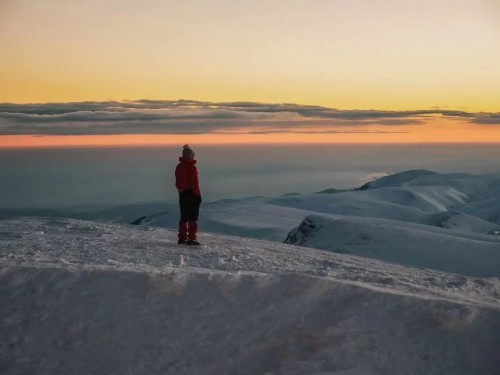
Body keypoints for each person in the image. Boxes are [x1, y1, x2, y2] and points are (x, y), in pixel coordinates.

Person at [175, 144, 202, 245]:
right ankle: (191, 238)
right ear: (190, 156)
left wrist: (181, 191)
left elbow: (178, 183)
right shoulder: (191, 167)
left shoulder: (179, 167)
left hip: (182, 194)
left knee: (184, 216)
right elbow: (194, 183)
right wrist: (198, 196)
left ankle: (182, 238)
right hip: (192, 194)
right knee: (193, 217)